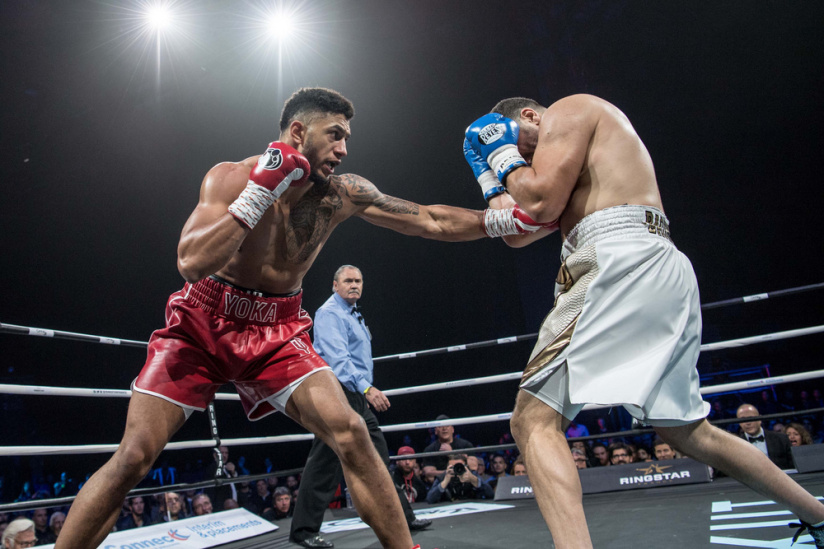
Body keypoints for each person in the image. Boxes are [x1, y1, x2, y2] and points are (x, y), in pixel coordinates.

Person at [57, 87, 539, 549]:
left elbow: (428, 219)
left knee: (350, 431)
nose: (344, 148)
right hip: (202, 322)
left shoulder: (344, 193)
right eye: (334, 134)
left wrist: (500, 221)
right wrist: (258, 193)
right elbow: (189, 262)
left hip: (277, 329)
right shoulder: (231, 176)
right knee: (134, 457)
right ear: (297, 132)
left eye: (347, 136)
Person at [462, 94, 824, 547]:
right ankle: (819, 516)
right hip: (654, 262)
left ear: (531, 117)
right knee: (687, 430)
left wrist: (500, 151)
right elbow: (517, 231)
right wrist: (489, 176)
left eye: (524, 144)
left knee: (533, 420)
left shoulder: (569, 111)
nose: (529, 160)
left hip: (616, 259)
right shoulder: (575, 168)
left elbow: (535, 204)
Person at [291, 266, 431, 548]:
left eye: (358, 281)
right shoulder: (330, 313)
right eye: (348, 281)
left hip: (355, 396)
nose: (354, 285)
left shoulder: (353, 313)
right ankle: (304, 531)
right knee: (325, 462)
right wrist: (367, 388)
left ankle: (403, 519)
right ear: (335, 285)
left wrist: (363, 390)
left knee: (379, 459)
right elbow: (339, 360)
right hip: (338, 393)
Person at [736, 404, 794, 469]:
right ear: (739, 423)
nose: (748, 423)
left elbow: (793, 465)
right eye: (743, 419)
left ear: (759, 419)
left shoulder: (781, 439)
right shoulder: (736, 445)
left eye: (750, 418)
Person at [425, 454, 494, 503]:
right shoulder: (443, 477)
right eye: (453, 467)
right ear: (447, 467)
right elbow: (430, 499)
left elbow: (490, 494)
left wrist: (473, 480)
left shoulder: (472, 474)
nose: (457, 469)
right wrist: (445, 482)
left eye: (459, 466)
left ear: (466, 466)